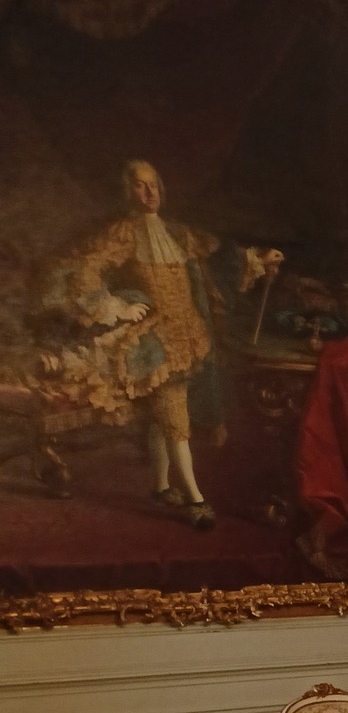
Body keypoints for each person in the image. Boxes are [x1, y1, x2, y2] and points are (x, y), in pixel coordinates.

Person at [49, 160, 282, 528]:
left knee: (164, 418)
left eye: (154, 185)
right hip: (155, 344)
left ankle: (160, 486)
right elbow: (83, 271)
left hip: (191, 336)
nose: (149, 193)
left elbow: (218, 262)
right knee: (174, 417)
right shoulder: (122, 234)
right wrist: (117, 306)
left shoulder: (177, 233)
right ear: (127, 191)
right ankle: (194, 498)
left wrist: (257, 259)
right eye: (140, 186)